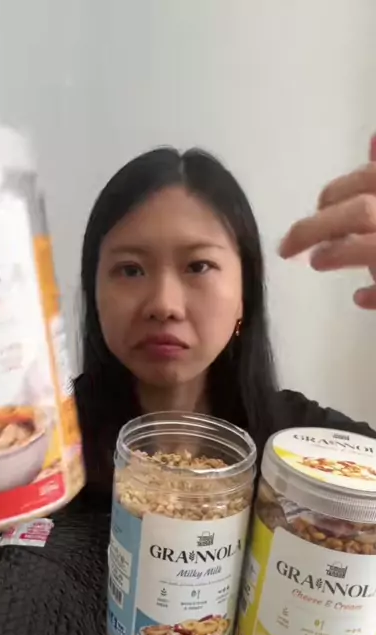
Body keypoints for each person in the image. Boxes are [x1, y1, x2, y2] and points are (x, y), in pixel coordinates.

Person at [75, 139, 376, 496]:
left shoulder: (306, 446)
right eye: (130, 270)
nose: (164, 305)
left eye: (198, 266)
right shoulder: (42, 444)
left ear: (244, 293)